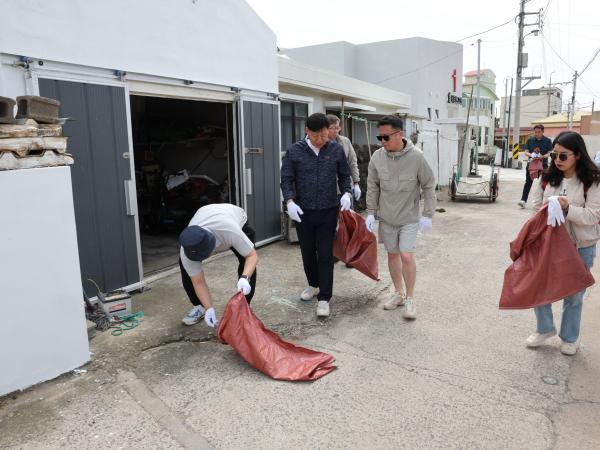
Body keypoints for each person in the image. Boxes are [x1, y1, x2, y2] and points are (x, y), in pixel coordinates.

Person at [527, 131, 600, 355]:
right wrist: (549, 208)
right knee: (539, 286)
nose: (557, 161)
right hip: (549, 244)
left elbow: (593, 216)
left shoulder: (592, 181)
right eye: (554, 155)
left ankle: (570, 337)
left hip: (580, 245)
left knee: (574, 295)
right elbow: (535, 205)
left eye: (563, 156)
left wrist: (567, 209)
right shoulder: (548, 176)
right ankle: (545, 328)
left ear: (577, 155)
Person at [280, 112, 353, 317]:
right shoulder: (295, 151)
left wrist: (347, 192)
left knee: (325, 253)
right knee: (307, 251)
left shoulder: (335, 149)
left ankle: (325, 298)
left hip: (329, 210)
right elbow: (286, 179)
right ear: (307, 131)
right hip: (302, 211)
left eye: (324, 135)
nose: (321, 140)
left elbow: (344, 175)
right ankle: (313, 284)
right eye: (316, 136)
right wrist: (290, 201)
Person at [366, 115, 436, 319]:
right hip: (387, 217)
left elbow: (429, 185)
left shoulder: (417, 157)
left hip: (409, 217)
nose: (382, 142)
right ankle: (398, 293)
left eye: (385, 137)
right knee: (392, 255)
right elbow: (372, 186)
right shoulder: (377, 157)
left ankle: (411, 299)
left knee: (406, 255)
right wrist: (371, 213)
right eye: (380, 137)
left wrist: (428, 214)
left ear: (399, 134)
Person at [178, 203, 258, 327]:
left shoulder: (230, 231)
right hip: (205, 214)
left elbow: (252, 256)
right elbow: (198, 282)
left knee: (246, 262)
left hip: (234, 218)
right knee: (186, 268)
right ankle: (201, 307)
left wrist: (245, 278)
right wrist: (209, 307)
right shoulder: (186, 250)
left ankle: (243, 309)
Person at [326, 114, 361, 202]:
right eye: (332, 128)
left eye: (337, 128)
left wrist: (356, 183)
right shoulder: (320, 143)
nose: (336, 131)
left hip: (346, 187)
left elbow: (352, 162)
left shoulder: (345, 141)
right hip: (328, 189)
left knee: (347, 214)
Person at [518, 124, 553, 208]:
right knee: (528, 182)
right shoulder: (530, 140)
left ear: (543, 132)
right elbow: (526, 152)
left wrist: (543, 156)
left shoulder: (548, 141)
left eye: (539, 132)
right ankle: (523, 200)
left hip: (543, 165)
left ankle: (545, 202)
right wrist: (531, 155)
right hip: (531, 164)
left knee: (544, 183)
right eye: (535, 132)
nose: (537, 133)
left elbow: (550, 153)